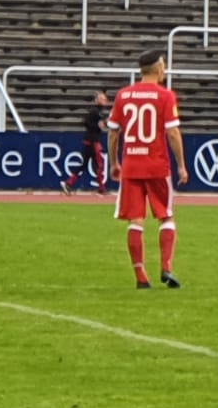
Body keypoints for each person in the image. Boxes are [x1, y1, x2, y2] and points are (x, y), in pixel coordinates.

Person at [107, 50, 189, 289]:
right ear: (158, 68)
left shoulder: (123, 95)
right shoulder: (165, 96)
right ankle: (166, 267)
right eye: (163, 65)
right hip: (156, 165)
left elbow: (113, 133)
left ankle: (141, 276)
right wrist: (181, 165)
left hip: (131, 166)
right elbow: (173, 133)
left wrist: (114, 163)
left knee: (136, 220)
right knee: (166, 215)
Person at [62, 91, 111, 195]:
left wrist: (103, 124)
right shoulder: (95, 111)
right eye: (102, 99)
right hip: (93, 141)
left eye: (105, 99)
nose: (105, 101)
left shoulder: (99, 111)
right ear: (97, 100)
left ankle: (69, 183)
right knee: (99, 164)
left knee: (84, 165)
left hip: (89, 140)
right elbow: (86, 122)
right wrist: (98, 126)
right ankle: (101, 188)